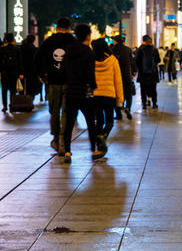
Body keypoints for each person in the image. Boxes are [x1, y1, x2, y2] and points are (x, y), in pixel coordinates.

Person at [63, 24, 105, 163]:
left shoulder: (68, 50)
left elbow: (64, 70)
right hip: (85, 93)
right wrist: (94, 86)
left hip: (70, 91)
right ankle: (93, 150)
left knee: (69, 123)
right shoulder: (88, 52)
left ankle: (67, 152)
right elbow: (89, 74)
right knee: (90, 123)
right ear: (88, 35)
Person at [35, 17, 75, 155]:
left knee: (54, 111)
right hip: (69, 82)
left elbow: (37, 58)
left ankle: (56, 139)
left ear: (57, 27)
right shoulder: (73, 41)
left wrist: (42, 75)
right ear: (69, 28)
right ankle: (64, 141)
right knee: (66, 112)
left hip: (52, 81)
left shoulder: (48, 42)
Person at [92, 38, 124, 150]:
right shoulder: (112, 60)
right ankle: (102, 136)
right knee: (109, 121)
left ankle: (97, 141)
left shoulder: (91, 61)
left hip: (95, 95)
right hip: (109, 95)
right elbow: (118, 81)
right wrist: (120, 99)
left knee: (99, 121)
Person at [111, 35, 134, 120]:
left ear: (116, 41)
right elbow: (132, 62)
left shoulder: (113, 50)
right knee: (128, 93)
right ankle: (128, 107)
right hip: (127, 74)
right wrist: (133, 71)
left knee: (117, 94)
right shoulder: (128, 49)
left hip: (116, 75)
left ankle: (118, 114)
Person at [0, 33, 23, 113]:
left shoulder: (2, 49)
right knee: (13, 90)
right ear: (13, 40)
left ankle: (5, 106)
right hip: (14, 73)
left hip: (4, 73)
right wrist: (20, 73)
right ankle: (12, 106)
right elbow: (20, 62)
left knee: (4, 90)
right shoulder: (17, 49)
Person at [136, 36, 160, 109]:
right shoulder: (155, 50)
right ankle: (154, 103)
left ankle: (144, 104)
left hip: (143, 74)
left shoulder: (141, 50)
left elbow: (137, 61)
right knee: (153, 89)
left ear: (145, 42)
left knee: (143, 89)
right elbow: (158, 60)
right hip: (153, 74)